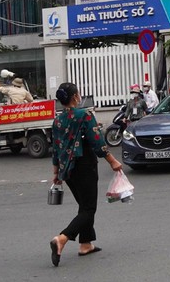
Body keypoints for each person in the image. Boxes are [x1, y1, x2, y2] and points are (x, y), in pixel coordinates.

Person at [49, 82, 123, 267]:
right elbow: (97, 142)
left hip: (67, 169)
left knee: (84, 206)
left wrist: (56, 172)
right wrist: (112, 161)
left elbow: (56, 148)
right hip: (84, 165)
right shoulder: (85, 115)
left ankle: (86, 244)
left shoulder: (57, 120)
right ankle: (62, 238)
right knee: (89, 208)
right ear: (75, 97)